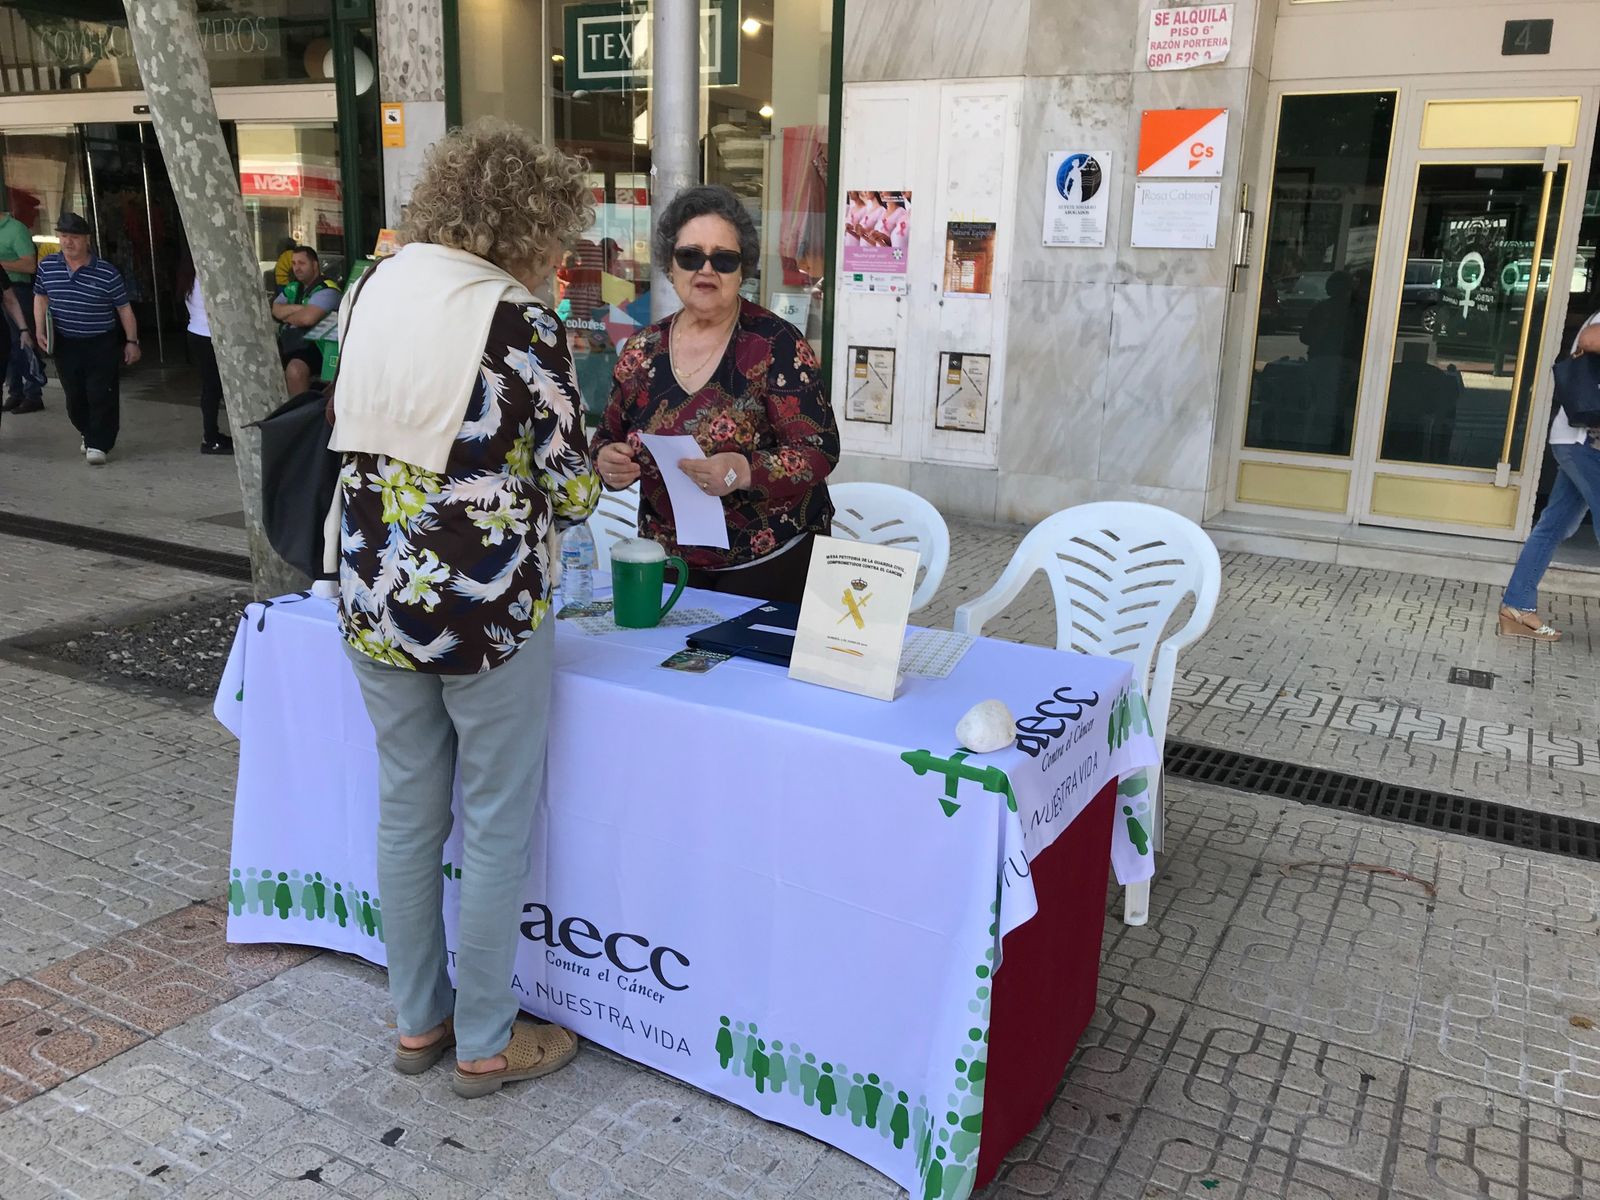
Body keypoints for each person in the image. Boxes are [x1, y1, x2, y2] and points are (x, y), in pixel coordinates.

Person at [329, 118, 599, 1098]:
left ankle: (417, 1025)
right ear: (533, 224)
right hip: (486, 619)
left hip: (369, 596)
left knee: (406, 815)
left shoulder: (369, 290)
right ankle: (485, 1042)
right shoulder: (516, 319)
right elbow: (569, 487)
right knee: (490, 825)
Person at [592, 184, 839, 605]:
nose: (706, 270)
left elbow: (820, 449)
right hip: (670, 567)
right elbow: (605, 437)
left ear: (743, 271)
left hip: (771, 566)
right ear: (670, 266)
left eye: (723, 259)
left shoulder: (775, 343)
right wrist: (606, 461)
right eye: (690, 256)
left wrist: (743, 470)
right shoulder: (641, 351)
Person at [1499, 308, 1600, 641]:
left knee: (1553, 525)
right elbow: (1590, 339)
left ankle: (1516, 607)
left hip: (1574, 442)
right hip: (1586, 444)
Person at [32, 212, 140, 466]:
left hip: (100, 341)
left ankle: (99, 443)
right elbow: (40, 297)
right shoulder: (48, 266)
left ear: (87, 240)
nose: (68, 242)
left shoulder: (106, 272)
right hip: (66, 342)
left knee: (101, 393)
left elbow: (124, 309)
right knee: (74, 396)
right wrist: (39, 329)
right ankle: (87, 431)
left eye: (75, 237)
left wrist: (132, 341)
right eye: (64, 236)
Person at [175, 251, 232, 454]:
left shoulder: (190, 276)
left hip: (196, 333)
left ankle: (211, 434)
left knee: (211, 388)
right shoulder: (208, 278)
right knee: (214, 388)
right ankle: (210, 437)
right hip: (211, 337)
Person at [271, 245, 341, 395]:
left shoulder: (327, 289)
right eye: (294, 264)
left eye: (302, 263)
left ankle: (300, 414)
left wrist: (287, 316)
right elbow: (275, 309)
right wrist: (300, 308)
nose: (297, 268)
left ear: (315, 265)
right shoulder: (294, 287)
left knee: (295, 370)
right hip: (291, 343)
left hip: (317, 347)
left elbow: (307, 319)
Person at [0, 199, 44, 413]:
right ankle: (15, 392)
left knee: (23, 341)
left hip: (17, 289)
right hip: (3, 289)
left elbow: (29, 264)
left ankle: (33, 393)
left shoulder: (15, 230)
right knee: (7, 345)